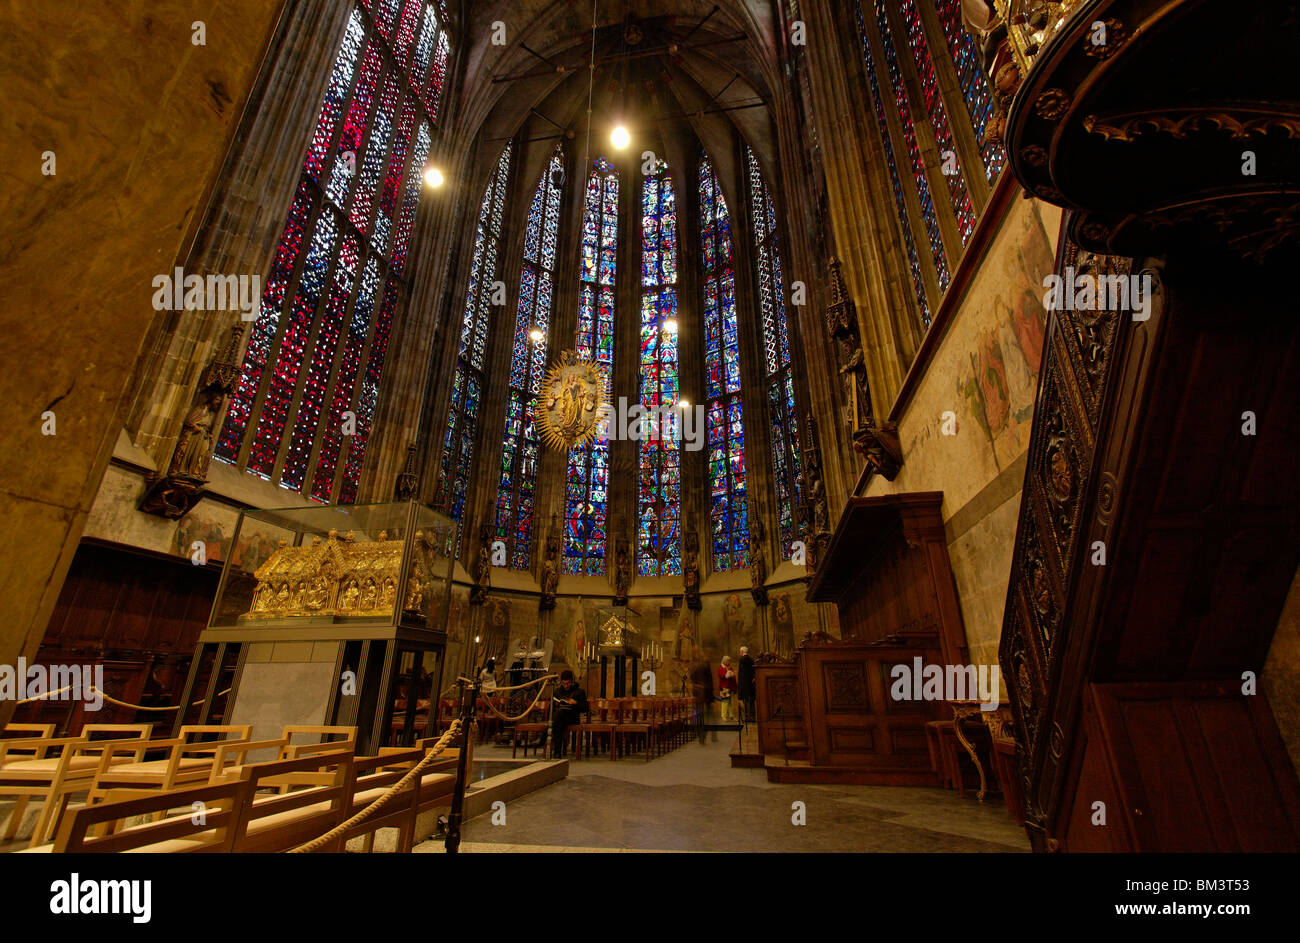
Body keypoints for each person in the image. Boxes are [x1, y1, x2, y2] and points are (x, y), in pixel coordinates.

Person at [550, 669, 588, 759]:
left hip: (573, 718)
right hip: (561, 719)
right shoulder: (557, 692)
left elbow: (585, 708)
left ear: (572, 681)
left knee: (557, 720)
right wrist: (556, 704)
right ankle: (557, 753)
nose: (566, 686)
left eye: (568, 683)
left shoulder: (579, 692)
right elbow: (551, 708)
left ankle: (553, 748)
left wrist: (575, 703)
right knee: (559, 720)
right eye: (564, 684)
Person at [690, 656, 715, 744]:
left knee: (700, 716)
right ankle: (704, 734)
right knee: (706, 716)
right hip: (705, 695)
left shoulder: (695, 668)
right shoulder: (705, 668)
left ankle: (702, 735)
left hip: (699, 695)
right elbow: (710, 683)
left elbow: (692, 679)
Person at [737, 646, 756, 725]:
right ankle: (753, 716)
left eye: (740, 651)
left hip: (744, 684)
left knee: (746, 701)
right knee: (751, 701)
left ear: (742, 651)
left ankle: (748, 717)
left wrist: (740, 685)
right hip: (751, 684)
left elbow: (741, 674)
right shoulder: (751, 660)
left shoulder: (742, 660)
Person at [717, 655, 737, 722]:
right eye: (728, 661)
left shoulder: (730, 668)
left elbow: (733, 676)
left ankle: (731, 716)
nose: (729, 662)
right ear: (724, 661)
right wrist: (728, 674)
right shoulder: (721, 668)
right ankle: (723, 716)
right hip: (724, 688)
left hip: (731, 687)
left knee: (731, 702)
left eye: (729, 661)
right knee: (725, 702)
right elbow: (721, 676)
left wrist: (732, 674)